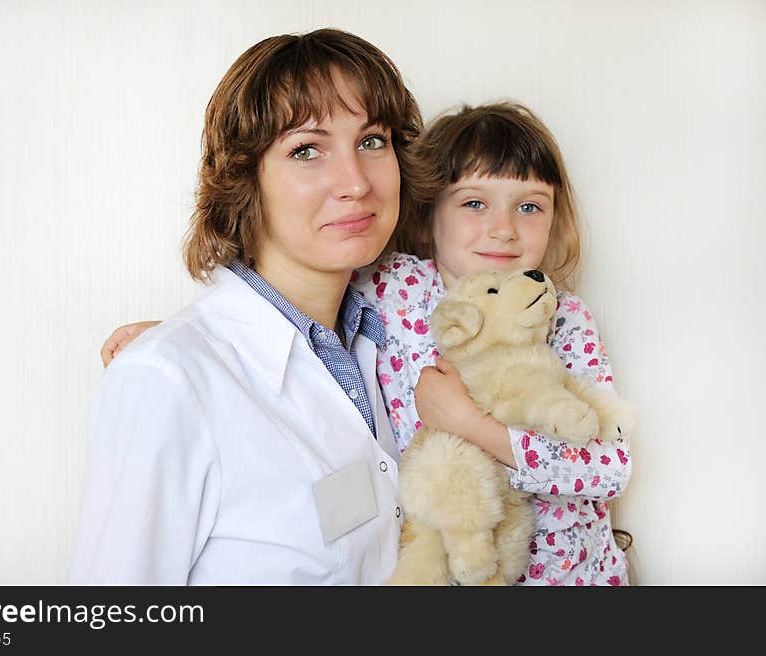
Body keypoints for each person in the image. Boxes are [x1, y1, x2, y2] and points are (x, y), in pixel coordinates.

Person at [105, 102, 634, 586]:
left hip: (571, 576)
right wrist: (188, 336)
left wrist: (474, 427)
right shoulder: (391, 286)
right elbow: (284, 307)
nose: (503, 231)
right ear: (426, 218)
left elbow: (609, 469)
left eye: (530, 207)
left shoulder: (562, 320)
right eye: (475, 203)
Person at [69, 28, 434, 584]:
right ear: (244, 181)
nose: (355, 183)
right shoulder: (166, 379)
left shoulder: (387, 337)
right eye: (306, 150)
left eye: (372, 141)